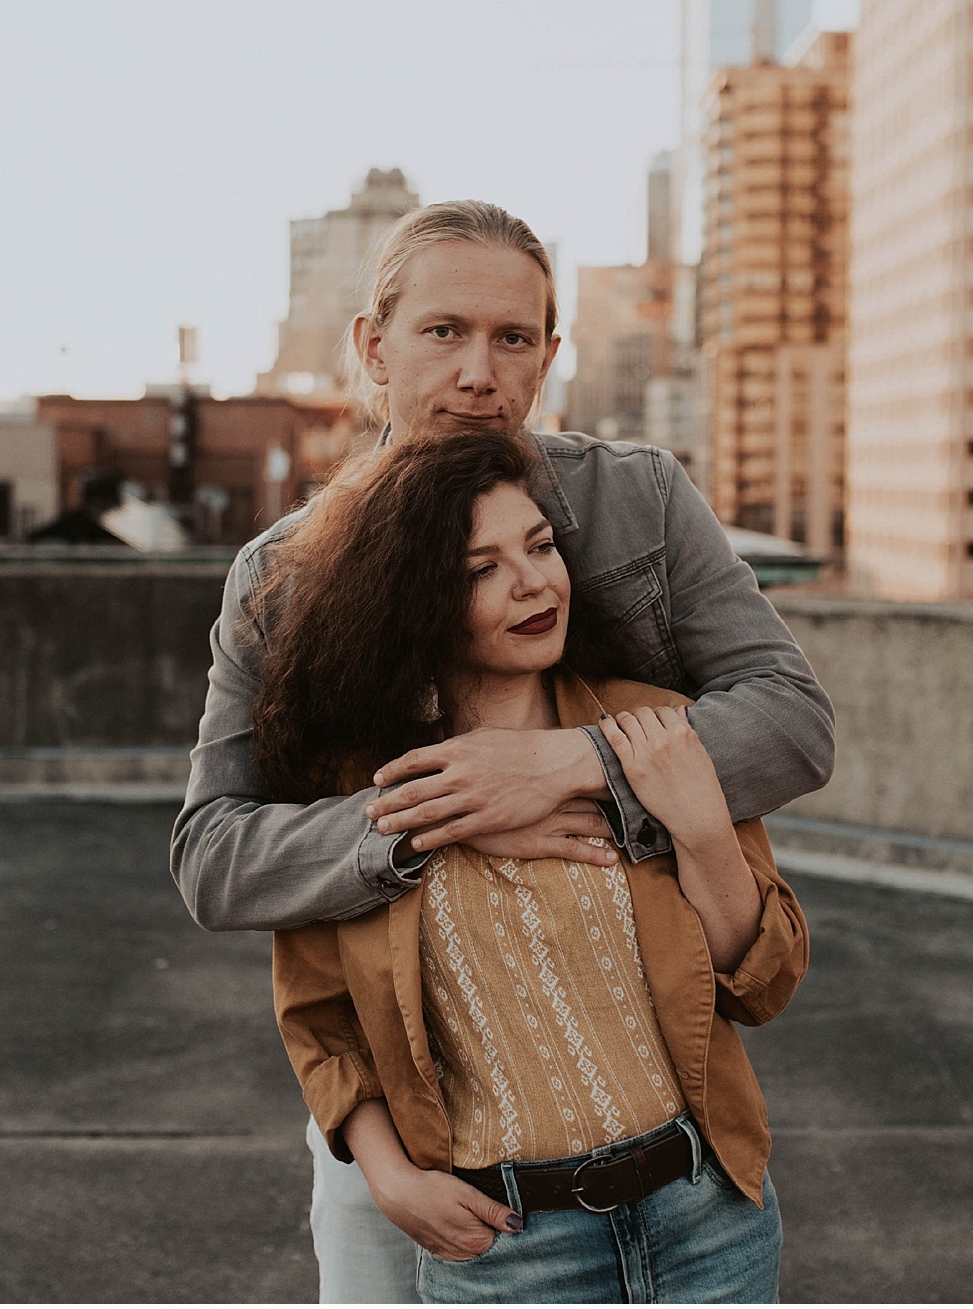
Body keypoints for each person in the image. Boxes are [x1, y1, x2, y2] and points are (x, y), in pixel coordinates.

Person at [172, 199, 834, 1301]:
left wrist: (571, 766)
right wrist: (449, 814)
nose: (480, 371)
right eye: (444, 333)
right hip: (416, 1115)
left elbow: (791, 723)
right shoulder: (283, 575)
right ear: (371, 348)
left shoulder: (636, 500)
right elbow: (217, 859)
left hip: (664, 1125)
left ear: (549, 357)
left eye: (512, 338)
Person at [265, 429, 806, 1303]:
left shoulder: (658, 728)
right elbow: (323, 1020)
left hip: (711, 1223)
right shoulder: (364, 792)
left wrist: (700, 823)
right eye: (481, 569)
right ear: (413, 603)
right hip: (510, 1251)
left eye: (541, 545)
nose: (532, 582)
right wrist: (392, 1179)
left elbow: (762, 985)